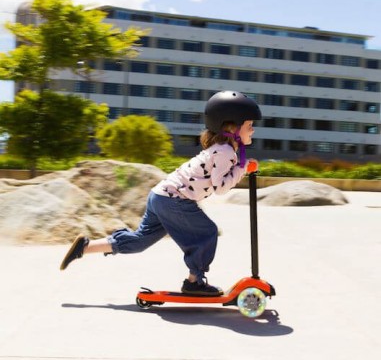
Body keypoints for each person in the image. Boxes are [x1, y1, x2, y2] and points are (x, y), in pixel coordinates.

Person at [60, 90, 262, 296]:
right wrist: (242, 169)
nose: (253, 130)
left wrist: (241, 167)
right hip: (175, 199)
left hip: (160, 195)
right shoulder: (227, 152)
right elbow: (221, 188)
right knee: (207, 232)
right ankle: (194, 282)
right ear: (231, 127)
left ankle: (85, 247)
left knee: (140, 240)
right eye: (249, 126)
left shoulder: (220, 149)